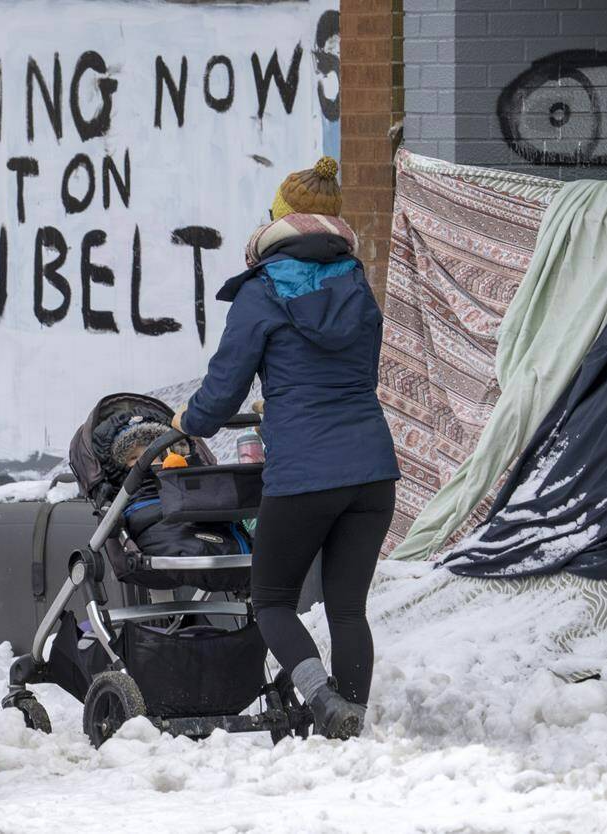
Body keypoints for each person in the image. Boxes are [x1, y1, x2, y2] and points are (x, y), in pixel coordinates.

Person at [173, 157, 399, 739]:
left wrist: (187, 420)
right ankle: (351, 721)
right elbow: (355, 376)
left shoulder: (262, 291)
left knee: (271, 599)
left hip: (304, 472)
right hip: (372, 470)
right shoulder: (356, 283)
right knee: (348, 608)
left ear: (280, 220)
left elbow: (223, 395)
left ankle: (323, 700)